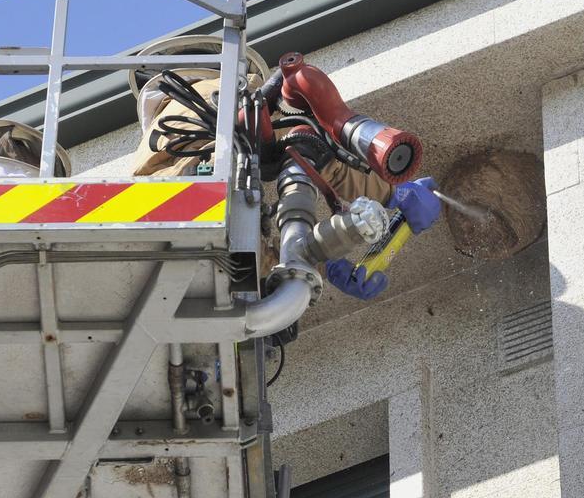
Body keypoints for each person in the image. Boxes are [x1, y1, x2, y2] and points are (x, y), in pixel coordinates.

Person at [129, 36, 441, 301]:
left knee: (246, 296)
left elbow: (251, 258)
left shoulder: (149, 159)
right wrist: (391, 192)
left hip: (166, 257)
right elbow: (305, 148)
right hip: (210, 231)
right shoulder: (217, 95)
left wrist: (320, 260)